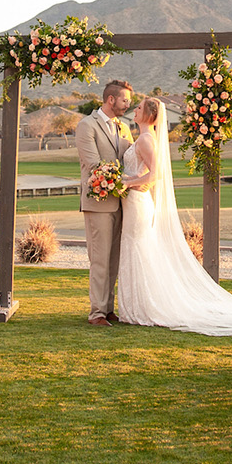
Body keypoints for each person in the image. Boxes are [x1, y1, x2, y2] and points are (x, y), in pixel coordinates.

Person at [116, 95, 232, 336]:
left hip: (137, 201)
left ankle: (143, 308)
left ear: (149, 115)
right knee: (134, 249)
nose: (134, 110)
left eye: (138, 107)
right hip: (133, 202)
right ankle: (134, 307)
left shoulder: (146, 140)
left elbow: (156, 175)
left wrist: (128, 183)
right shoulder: (143, 138)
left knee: (137, 249)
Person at [78, 79, 135, 326]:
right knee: (100, 260)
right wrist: (128, 180)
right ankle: (97, 313)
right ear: (111, 99)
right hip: (98, 203)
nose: (128, 104)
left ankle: (109, 309)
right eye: (125, 100)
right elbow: (94, 165)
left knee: (114, 260)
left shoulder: (124, 127)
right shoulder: (86, 125)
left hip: (122, 202)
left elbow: (129, 159)